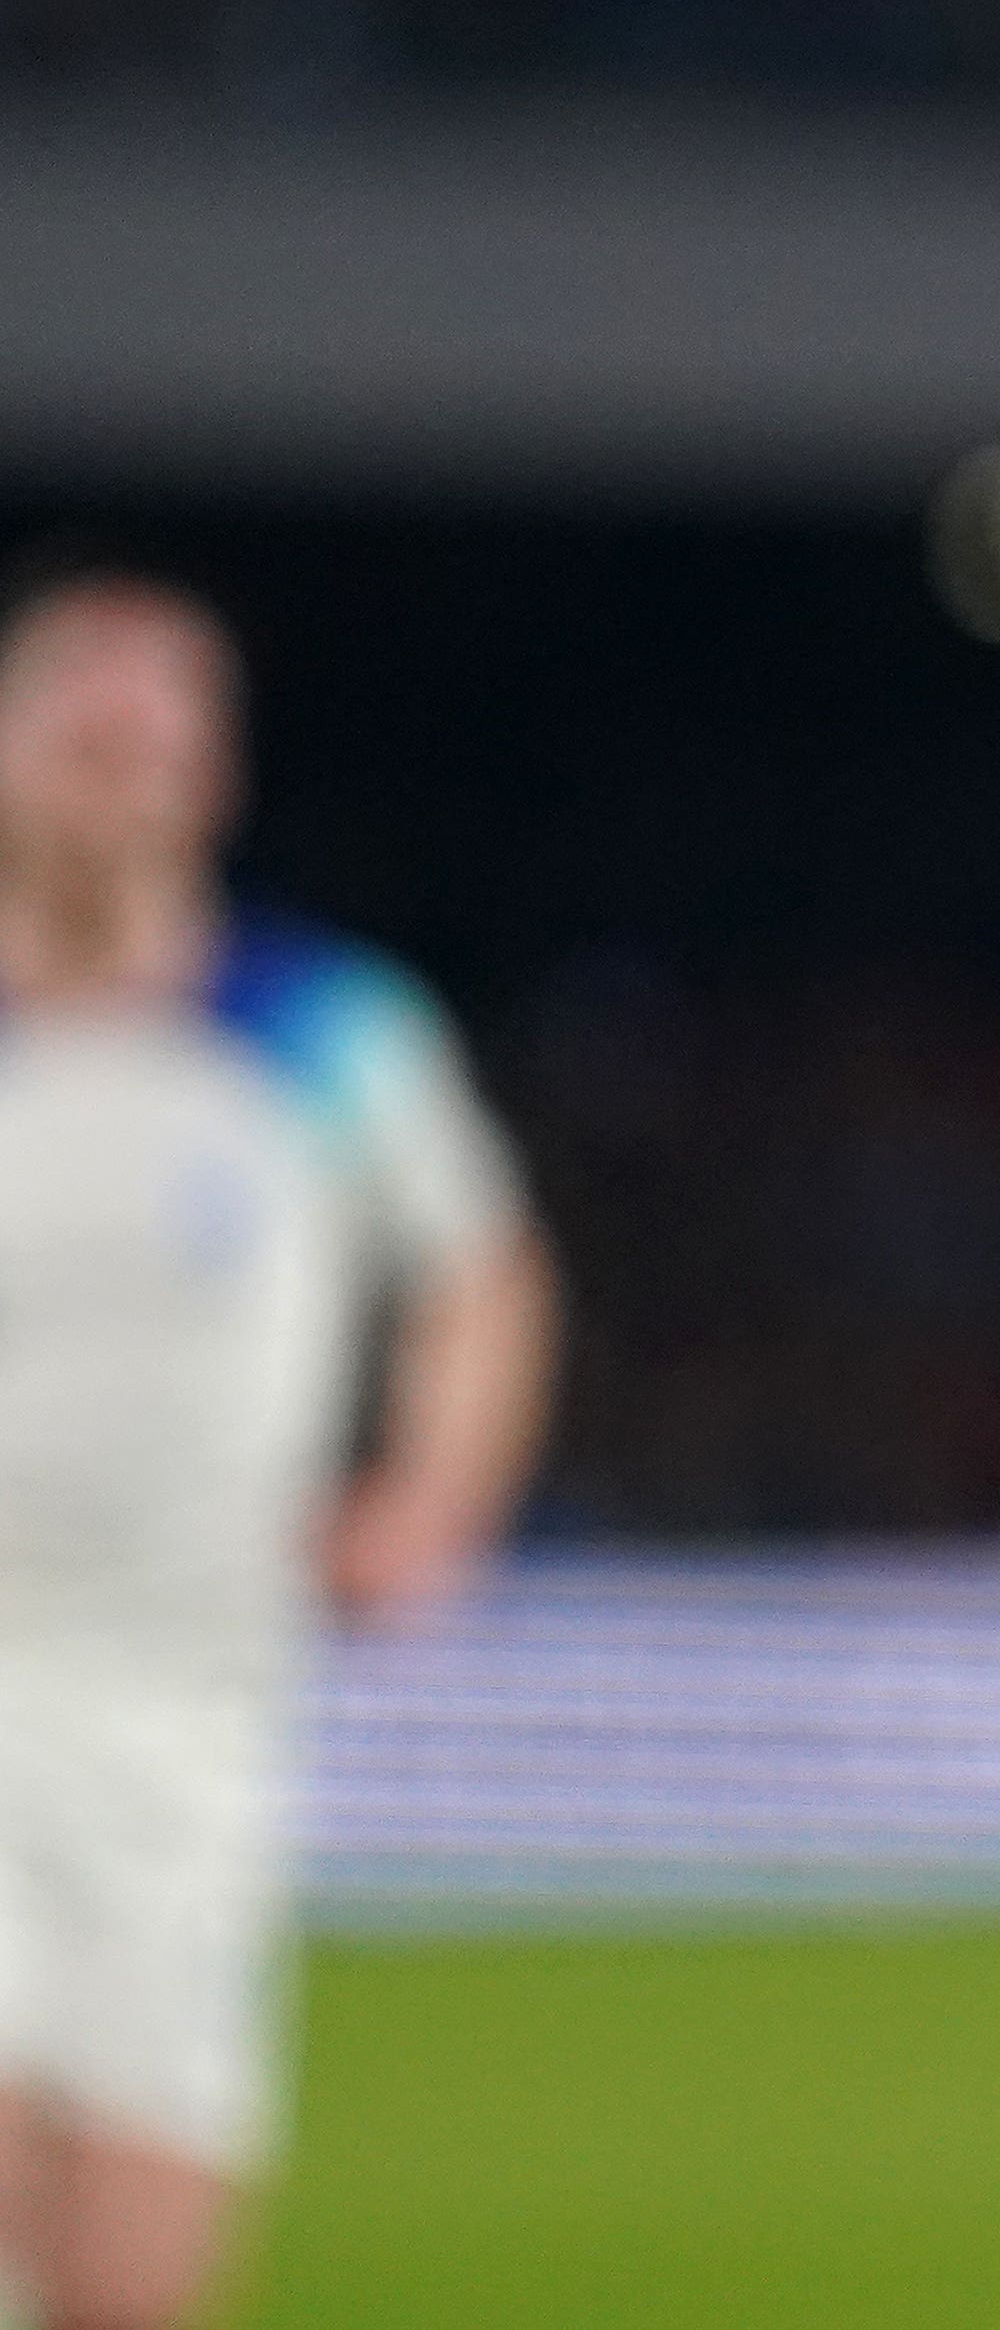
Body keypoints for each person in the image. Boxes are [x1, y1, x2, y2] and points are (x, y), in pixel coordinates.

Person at [0, 566, 560, 2330]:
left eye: (154, 732)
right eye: (82, 727)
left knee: (134, 2274)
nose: (118, 766)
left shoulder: (319, 1027)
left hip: (187, 1711)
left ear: (213, 777)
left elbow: (481, 1271)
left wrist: (434, 1497)